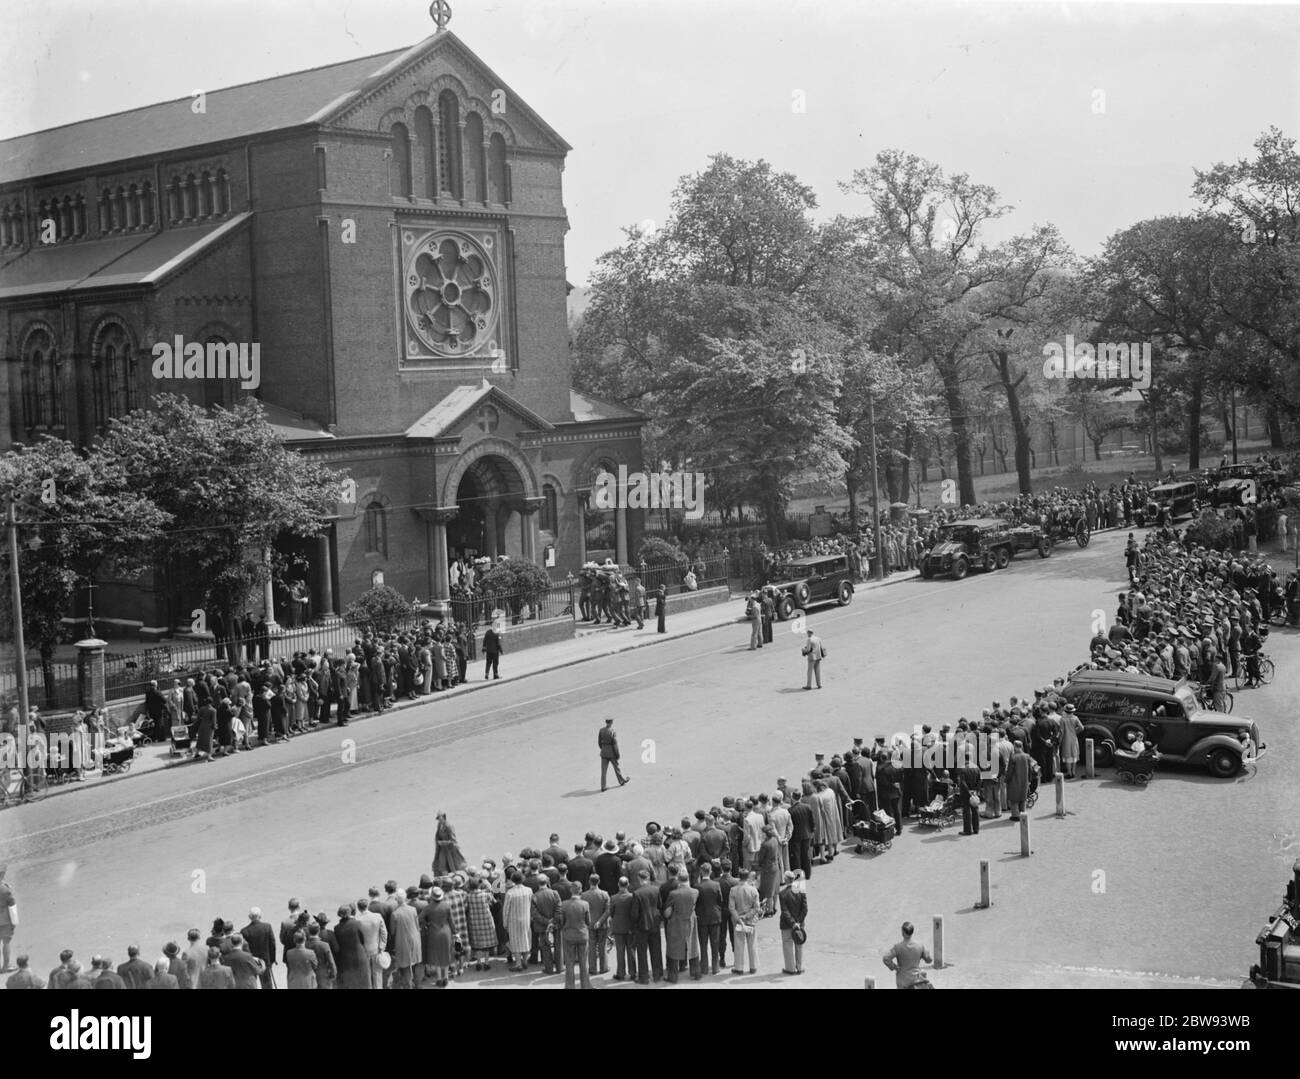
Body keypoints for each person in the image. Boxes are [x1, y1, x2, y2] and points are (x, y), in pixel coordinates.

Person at [556, 881, 592, 989]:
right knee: (583, 962)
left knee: (569, 963)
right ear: (580, 890)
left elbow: (561, 922)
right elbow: (588, 921)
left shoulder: (564, 904)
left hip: (568, 935)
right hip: (582, 935)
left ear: (570, 890)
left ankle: (569, 986)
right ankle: (585, 985)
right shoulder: (585, 904)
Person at [883, 921, 934, 989]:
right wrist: (927, 953)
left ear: (903, 933)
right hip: (916, 978)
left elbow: (886, 958)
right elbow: (929, 960)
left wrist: (894, 967)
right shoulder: (920, 945)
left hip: (902, 980)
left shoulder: (898, 947)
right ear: (912, 932)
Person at [728, 868, 760, 975]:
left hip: (738, 921)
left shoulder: (733, 890)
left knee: (739, 944)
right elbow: (756, 908)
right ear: (747, 877)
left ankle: (739, 968)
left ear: (739, 876)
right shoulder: (753, 889)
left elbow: (731, 908)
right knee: (752, 944)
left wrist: (739, 918)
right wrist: (747, 916)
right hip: (751, 920)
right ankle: (753, 967)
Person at [333, 905, 370, 990]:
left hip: (344, 958)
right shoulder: (357, 923)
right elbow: (363, 940)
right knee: (361, 981)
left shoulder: (336, 928)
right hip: (359, 955)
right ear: (349, 913)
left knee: (348, 982)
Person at [778, 871, 808, 975]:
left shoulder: (782, 893)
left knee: (787, 945)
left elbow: (785, 911)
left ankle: (790, 968)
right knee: (799, 944)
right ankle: (799, 967)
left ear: (786, 880)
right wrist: (798, 922)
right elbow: (805, 908)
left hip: (787, 924)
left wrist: (792, 923)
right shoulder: (801, 891)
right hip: (800, 924)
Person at [241, 907, 277, 989]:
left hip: (251, 961)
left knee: (252, 984)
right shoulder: (267, 927)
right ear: (260, 916)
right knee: (267, 985)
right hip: (265, 960)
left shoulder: (244, 931)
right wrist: (272, 960)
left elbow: (244, 949)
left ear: (250, 917)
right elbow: (272, 944)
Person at [598, 717, 629, 791]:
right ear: (611, 722)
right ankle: (621, 781)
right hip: (611, 752)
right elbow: (615, 744)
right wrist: (617, 753)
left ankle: (603, 786)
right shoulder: (612, 731)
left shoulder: (601, 730)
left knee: (603, 770)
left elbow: (599, 742)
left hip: (604, 752)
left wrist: (603, 749)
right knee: (616, 767)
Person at [0, 865, 15, 973]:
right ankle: (6, 966)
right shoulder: (5, 890)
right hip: (3, 921)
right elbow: (12, 904)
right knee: (6, 942)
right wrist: (14, 922)